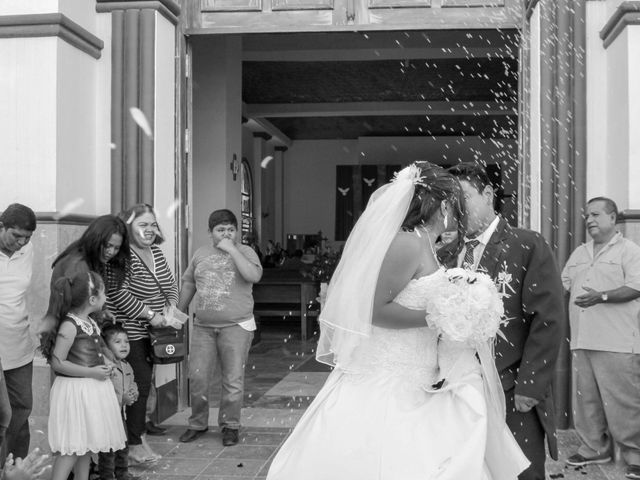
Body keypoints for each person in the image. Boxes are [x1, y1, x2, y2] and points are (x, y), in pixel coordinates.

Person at [267, 162, 529, 480]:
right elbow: (375, 310)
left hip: (421, 375)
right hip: (391, 379)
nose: (456, 210)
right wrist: (438, 318)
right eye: (454, 202)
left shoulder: (427, 243)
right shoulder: (407, 243)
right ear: (442, 204)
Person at [440, 163, 564, 480]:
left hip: (510, 384)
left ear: (488, 194)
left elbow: (547, 320)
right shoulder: (444, 252)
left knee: (520, 470)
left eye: (463, 196)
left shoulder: (526, 244)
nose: (457, 208)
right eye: (450, 201)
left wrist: (531, 385)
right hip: (456, 386)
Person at [561, 197, 640, 480]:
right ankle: (594, 447)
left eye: (595, 214)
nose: (589, 219)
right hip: (582, 340)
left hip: (618, 342)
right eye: (586, 215)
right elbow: (563, 285)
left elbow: (636, 286)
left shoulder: (629, 251)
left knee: (624, 403)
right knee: (587, 402)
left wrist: (601, 296)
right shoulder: (580, 253)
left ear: (613, 218)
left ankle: (635, 456)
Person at [177, 209, 262, 447]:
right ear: (210, 232)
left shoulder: (246, 252)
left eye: (230, 229)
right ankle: (197, 423)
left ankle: (230, 426)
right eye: (220, 230)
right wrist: (178, 312)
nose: (226, 233)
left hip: (237, 326)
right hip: (203, 327)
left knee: (232, 380)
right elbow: (189, 283)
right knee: (198, 377)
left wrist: (233, 249)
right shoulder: (200, 253)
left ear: (237, 232)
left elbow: (253, 276)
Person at [40, 271, 127, 480]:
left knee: (86, 447)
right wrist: (91, 372)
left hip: (92, 390)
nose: (106, 298)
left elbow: (93, 351)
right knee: (72, 449)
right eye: (104, 293)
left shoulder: (89, 321)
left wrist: (106, 364)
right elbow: (58, 362)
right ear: (92, 299)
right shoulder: (70, 325)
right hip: (76, 392)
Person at [108, 204, 178, 464]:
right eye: (142, 225)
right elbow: (118, 293)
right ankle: (133, 444)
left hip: (154, 334)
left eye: (152, 224)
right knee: (136, 388)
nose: (149, 230)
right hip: (130, 333)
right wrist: (151, 315)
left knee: (144, 387)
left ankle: (137, 440)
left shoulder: (156, 252)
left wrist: (170, 307)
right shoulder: (121, 255)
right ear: (128, 227)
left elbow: (170, 284)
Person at [41, 215, 130, 334]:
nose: (111, 252)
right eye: (108, 245)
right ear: (96, 239)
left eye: (116, 248)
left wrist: (102, 311)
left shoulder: (93, 257)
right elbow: (78, 309)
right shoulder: (79, 265)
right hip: (71, 333)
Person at [0, 203, 37, 462]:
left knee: (21, 408)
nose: (22, 242)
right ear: (2, 227)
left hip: (19, 343)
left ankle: (16, 468)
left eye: (27, 237)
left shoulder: (28, 250)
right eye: (16, 236)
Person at [98, 321, 139, 480]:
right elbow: (105, 393)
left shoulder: (127, 365)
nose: (124, 345)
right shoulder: (106, 367)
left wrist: (133, 391)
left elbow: (132, 382)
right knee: (108, 449)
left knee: (123, 444)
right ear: (106, 347)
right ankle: (107, 476)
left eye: (126, 341)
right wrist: (122, 399)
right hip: (107, 415)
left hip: (120, 415)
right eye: (117, 342)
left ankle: (122, 474)